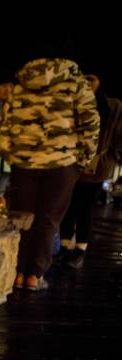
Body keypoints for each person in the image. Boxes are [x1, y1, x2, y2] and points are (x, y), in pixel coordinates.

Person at [0, 58, 100, 291]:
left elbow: (6, 123)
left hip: (23, 162)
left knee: (22, 218)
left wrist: (12, 156)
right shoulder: (76, 83)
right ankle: (34, 275)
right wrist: (81, 160)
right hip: (62, 163)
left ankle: (18, 272)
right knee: (48, 219)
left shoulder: (21, 83)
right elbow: (91, 123)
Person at [57, 74, 122, 269]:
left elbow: (119, 136)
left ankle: (80, 249)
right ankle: (64, 246)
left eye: (92, 78)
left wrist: (111, 156)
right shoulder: (74, 101)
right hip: (72, 163)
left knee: (85, 206)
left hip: (96, 165)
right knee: (68, 205)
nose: (87, 82)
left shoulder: (112, 106)